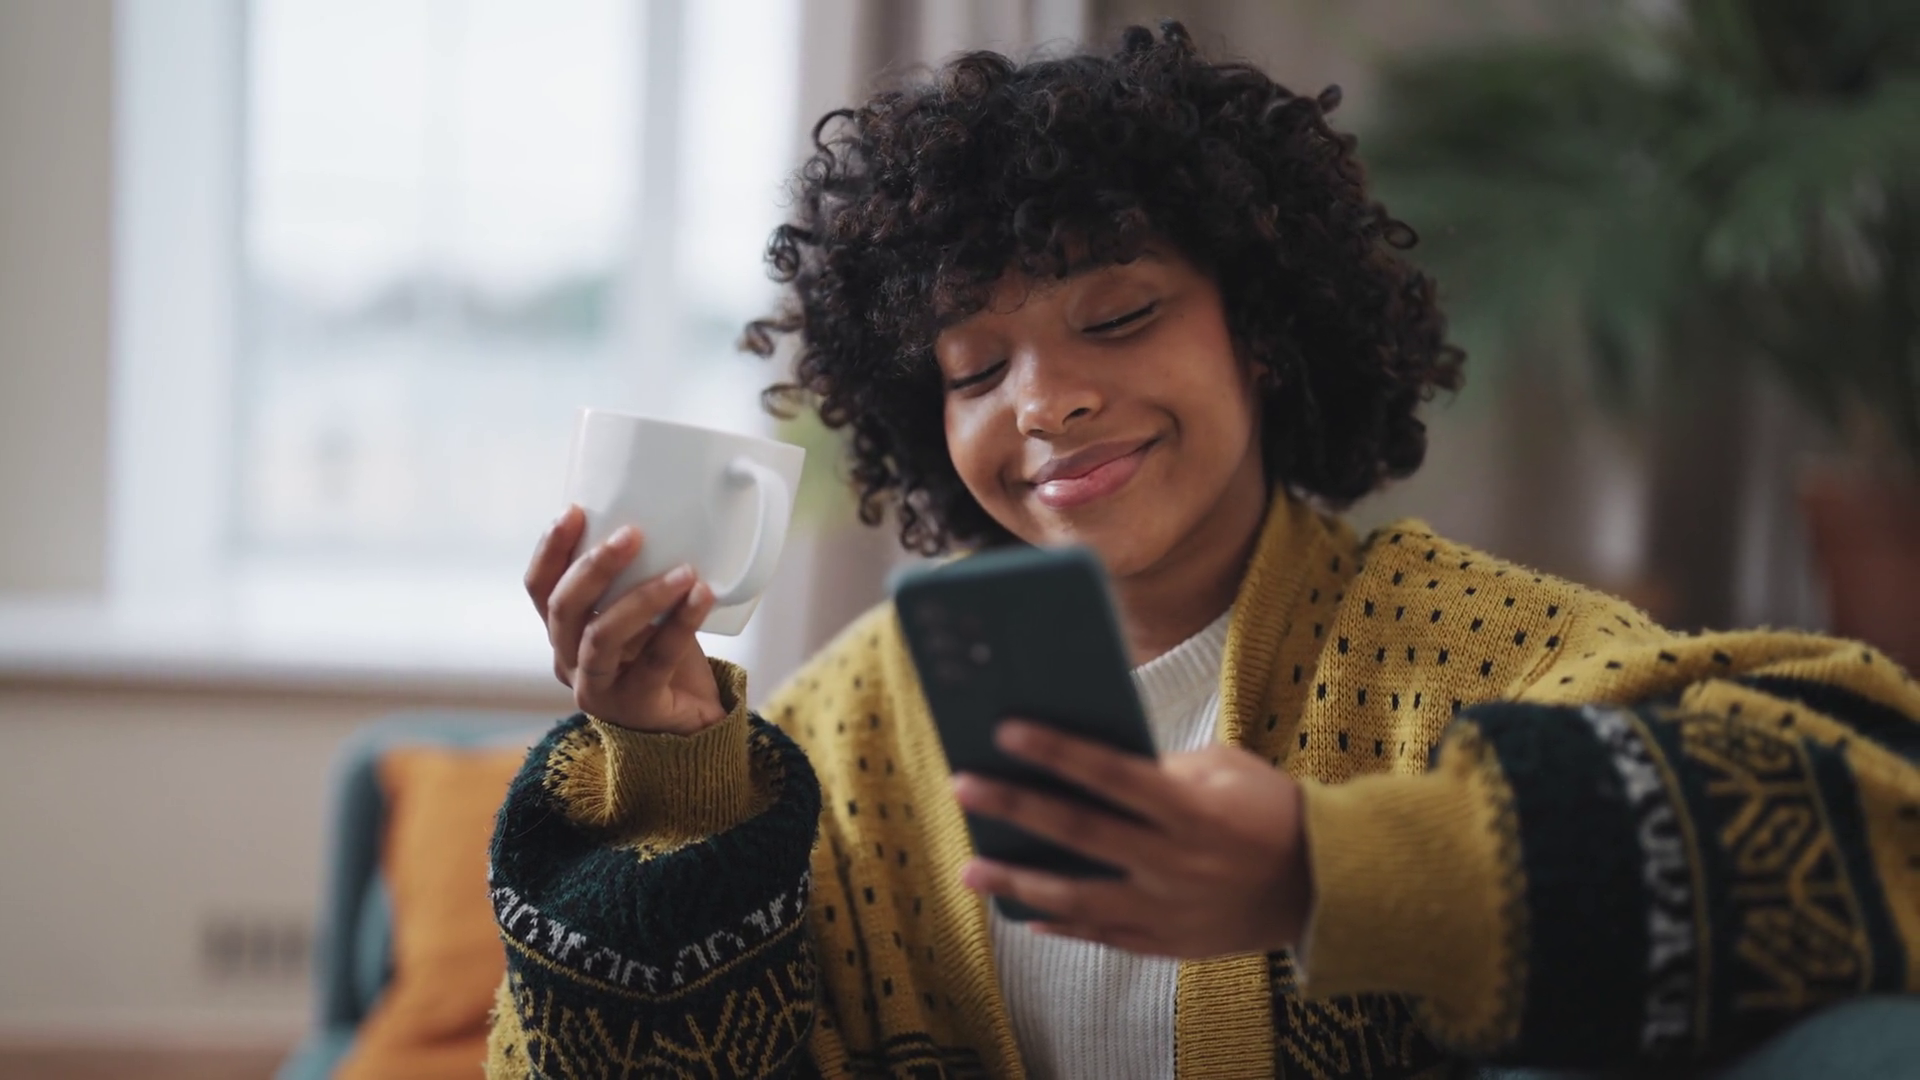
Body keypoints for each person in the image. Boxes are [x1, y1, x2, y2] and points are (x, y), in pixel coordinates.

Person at [483, 22, 1920, 1080]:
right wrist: (670, 771)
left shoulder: (1475, 654)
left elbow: (1883, 814)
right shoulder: (853, 725)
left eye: (1117, 320)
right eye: (978, 369)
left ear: (1265, 334)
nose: (1045, 402)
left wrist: (1325, 872)